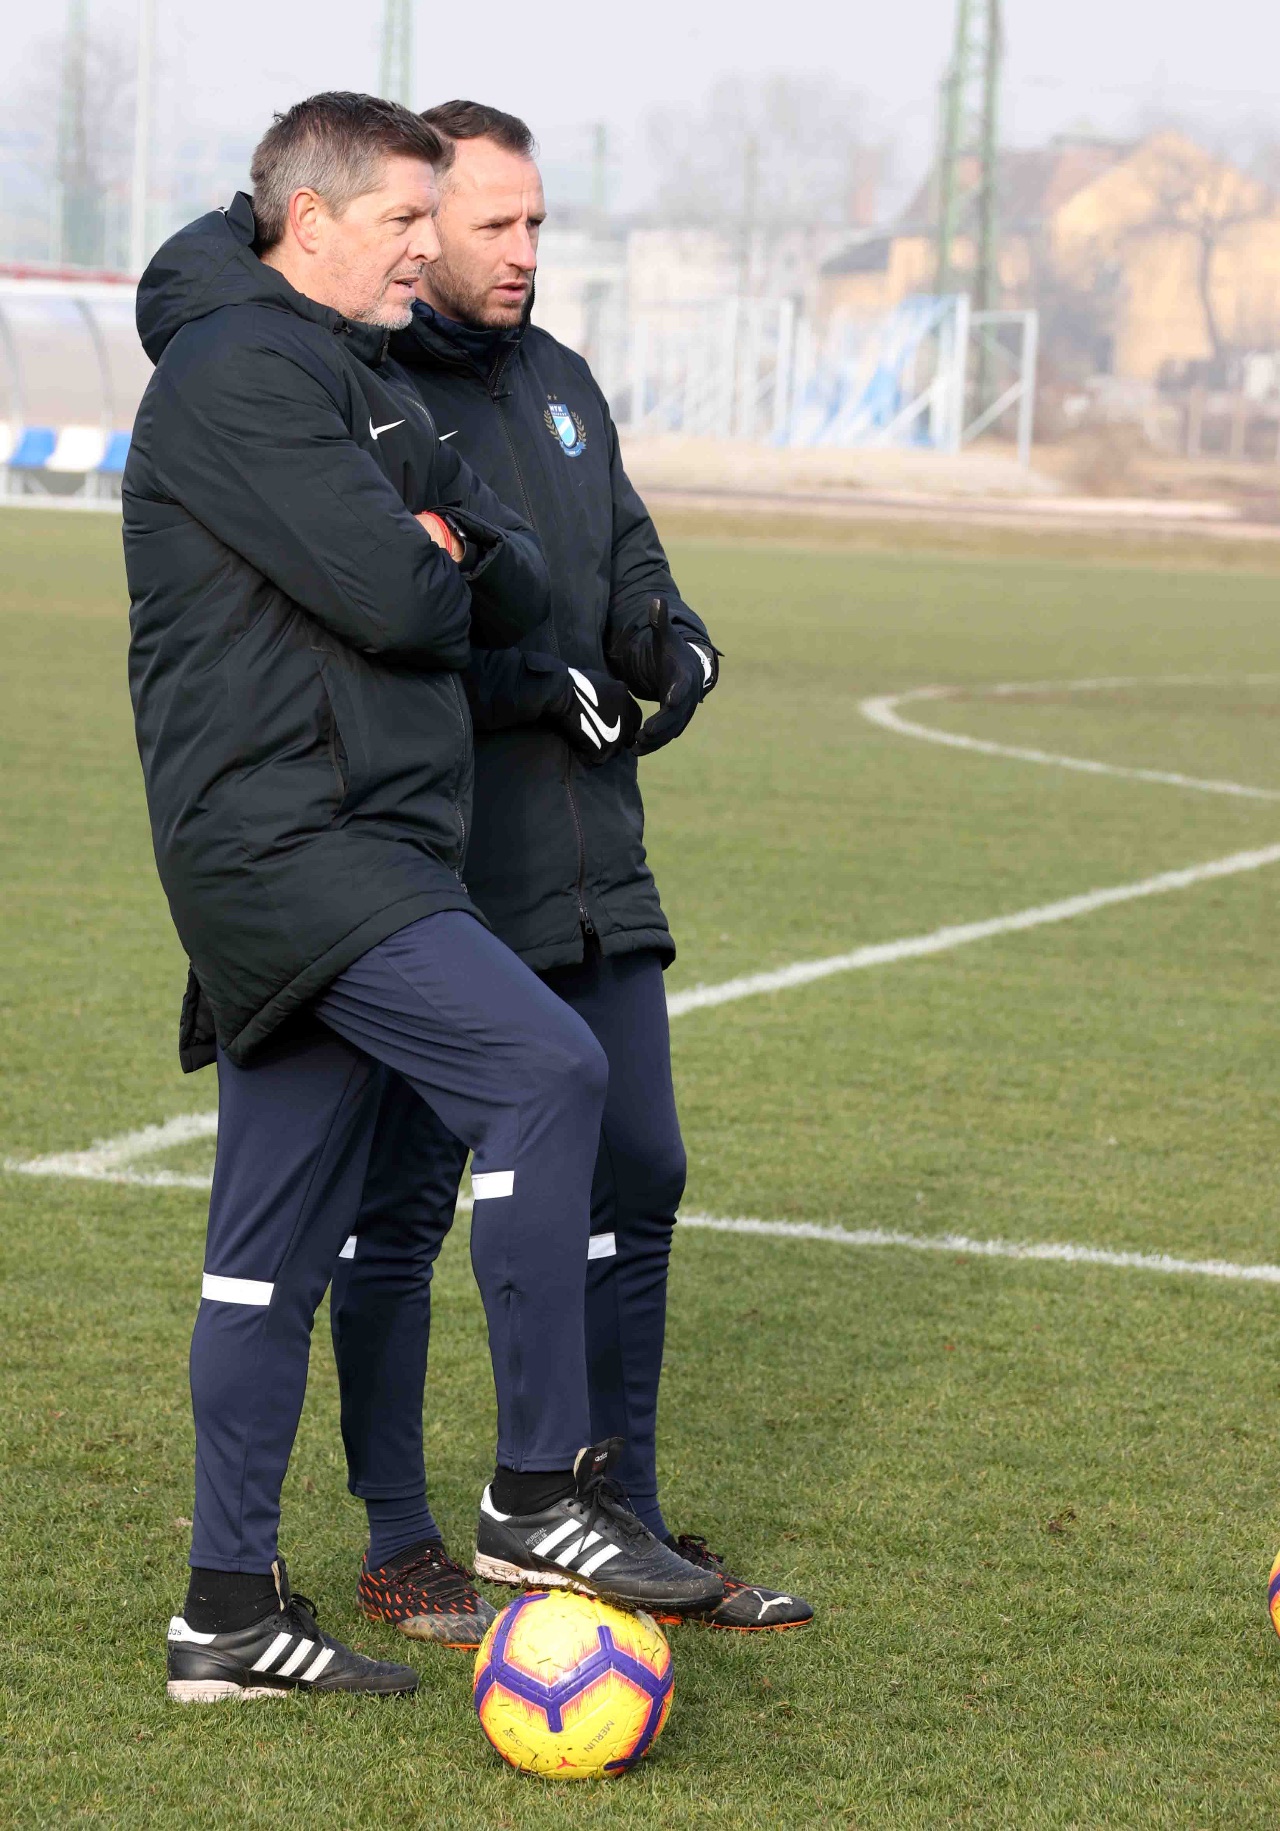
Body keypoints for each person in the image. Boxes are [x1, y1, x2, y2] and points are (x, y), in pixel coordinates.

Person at [125, 91, 723, 1705]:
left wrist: (448, 537)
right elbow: (402, 594)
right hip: (303, 846)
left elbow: (512, 567)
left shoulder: (355, 373)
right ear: (310, 221)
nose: (427, 245)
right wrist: (439, 544)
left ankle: (224, 1617)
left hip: (346, 840)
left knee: (263, 1256)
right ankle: (536, 1493)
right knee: (548, 1070)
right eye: (407, 218)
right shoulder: (239, 371)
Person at [329, 100, 813, 1646]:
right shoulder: (370, 393)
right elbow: (387, 637)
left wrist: (670, 638)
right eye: (494, 223)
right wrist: (538, 686)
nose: (524, 249)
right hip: (444, 875)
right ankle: (402, 1545)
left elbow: (627, 555)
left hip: (600, 866)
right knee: (404, 1208)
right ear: (419, 226)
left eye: (538, 222)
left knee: (641, 1171)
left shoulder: (562, 384)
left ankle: (624, 1516)